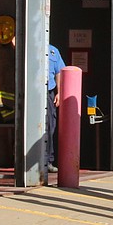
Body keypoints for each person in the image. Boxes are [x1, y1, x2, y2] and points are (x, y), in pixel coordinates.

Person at [46, 43, 65, 175]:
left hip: (49, 92)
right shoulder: (27, 45)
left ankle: (48, 161)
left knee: (50, 126)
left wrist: (59, 92)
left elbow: (59, 72)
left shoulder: (53, 51)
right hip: (31, 91)